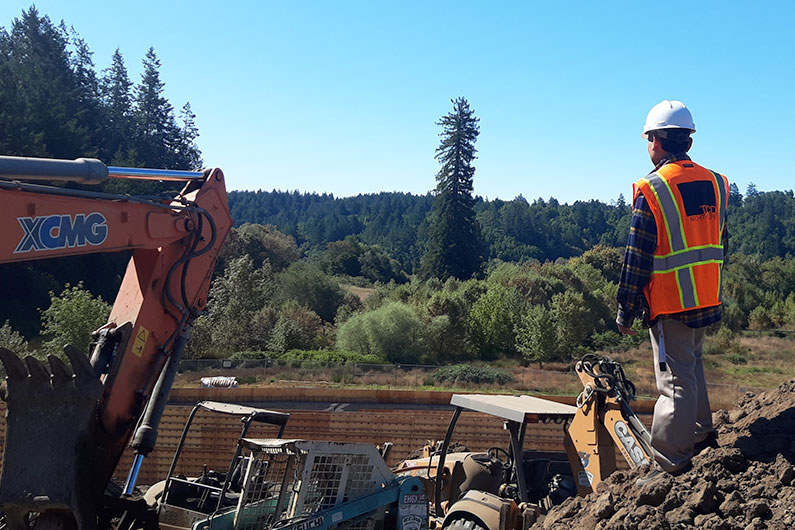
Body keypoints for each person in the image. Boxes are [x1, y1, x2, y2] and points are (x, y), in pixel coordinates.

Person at [616, 100, 728, 486]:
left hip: (672, 302)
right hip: (705, 296)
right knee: (692, 366)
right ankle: (698, 433)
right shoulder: (716, 183)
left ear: (656, 141)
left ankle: (669, 462)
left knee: (674, 381)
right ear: (688, 140)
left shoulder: (655, 188)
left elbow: (637, 255)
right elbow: (719, 239)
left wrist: (626, 307)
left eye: (649, 137)